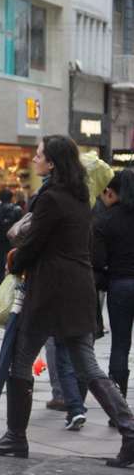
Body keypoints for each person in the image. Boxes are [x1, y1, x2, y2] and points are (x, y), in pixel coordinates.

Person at [0, 135, 134, 469]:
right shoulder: (80, 196)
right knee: (87, 366)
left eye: (38, 156)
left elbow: (33, 244)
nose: (34, 160)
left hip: (49, 291)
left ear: (52, 162)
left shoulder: (51, 198)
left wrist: (15, 262)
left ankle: (15, 437)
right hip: (78, 289)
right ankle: (130, 431)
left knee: (20, 361)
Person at [94, 170, 134, 412]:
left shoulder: (106, 220)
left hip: (119, 285)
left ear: (113, 191)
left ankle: (117, 409)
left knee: (120, 345)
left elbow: (98, 261)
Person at [0, 189, 22, 285]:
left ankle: (0, 285)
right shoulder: (16, 210)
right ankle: (11, 283)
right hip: (13, 241)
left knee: (1, 263)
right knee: (12, 261)